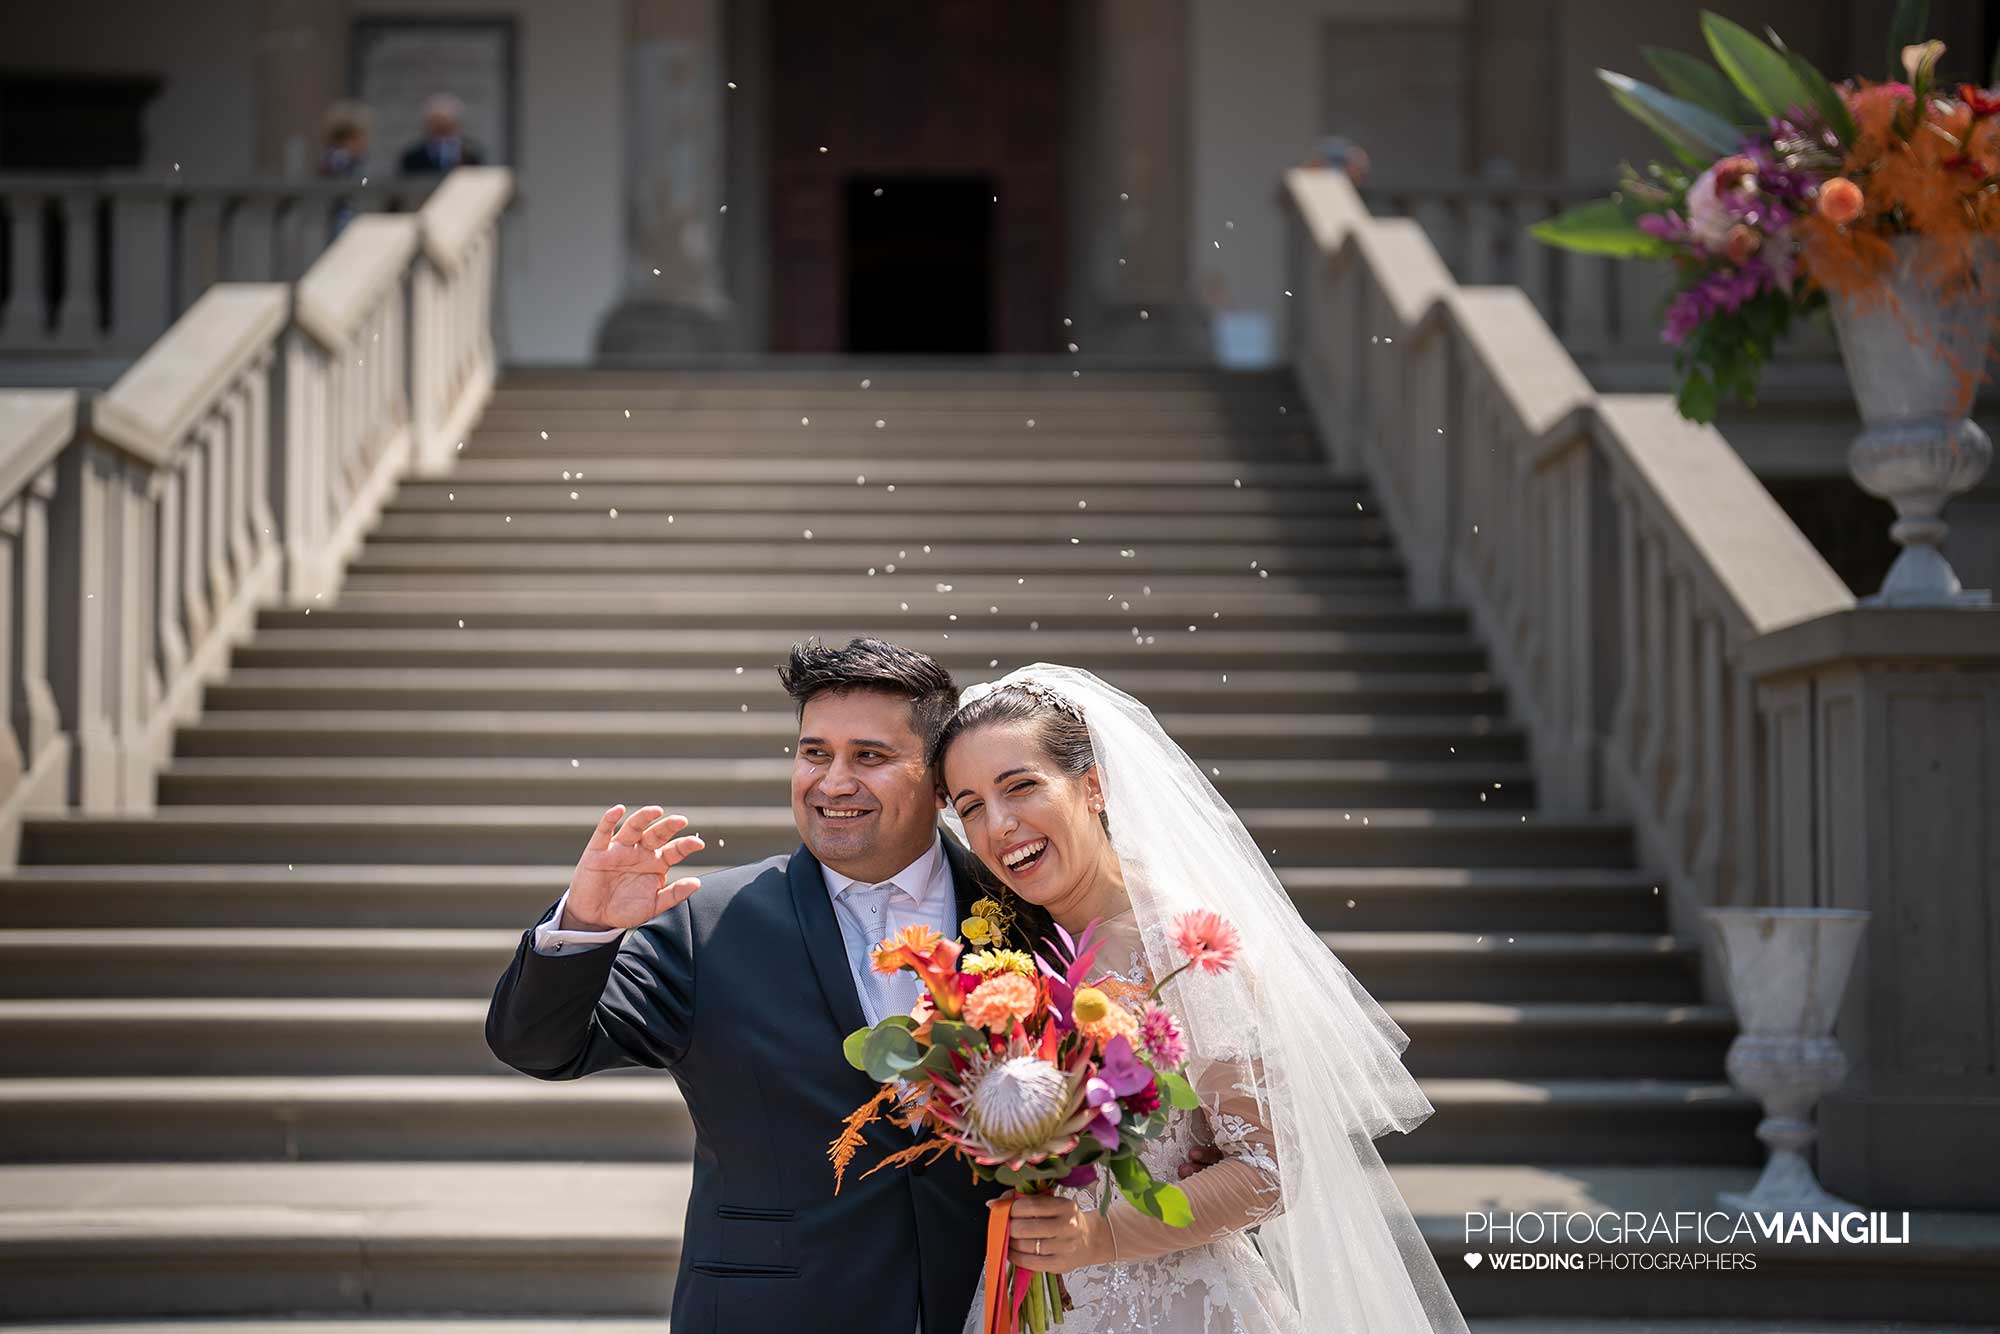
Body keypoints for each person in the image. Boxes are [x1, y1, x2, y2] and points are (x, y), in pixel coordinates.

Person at [934, 665, 1472, 1334]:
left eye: (1020, 787)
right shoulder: (1000, 948)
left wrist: (1101, 1235)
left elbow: (1268, 1169)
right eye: (971, 805)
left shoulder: (1185, 946)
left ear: (1092, 785)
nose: (1000, 824)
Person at [399, 93, 484, 174]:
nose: (441, 126)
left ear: (456, 123)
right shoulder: (413, 157)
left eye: (445, 122)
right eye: (436, 122)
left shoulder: (471, 154)